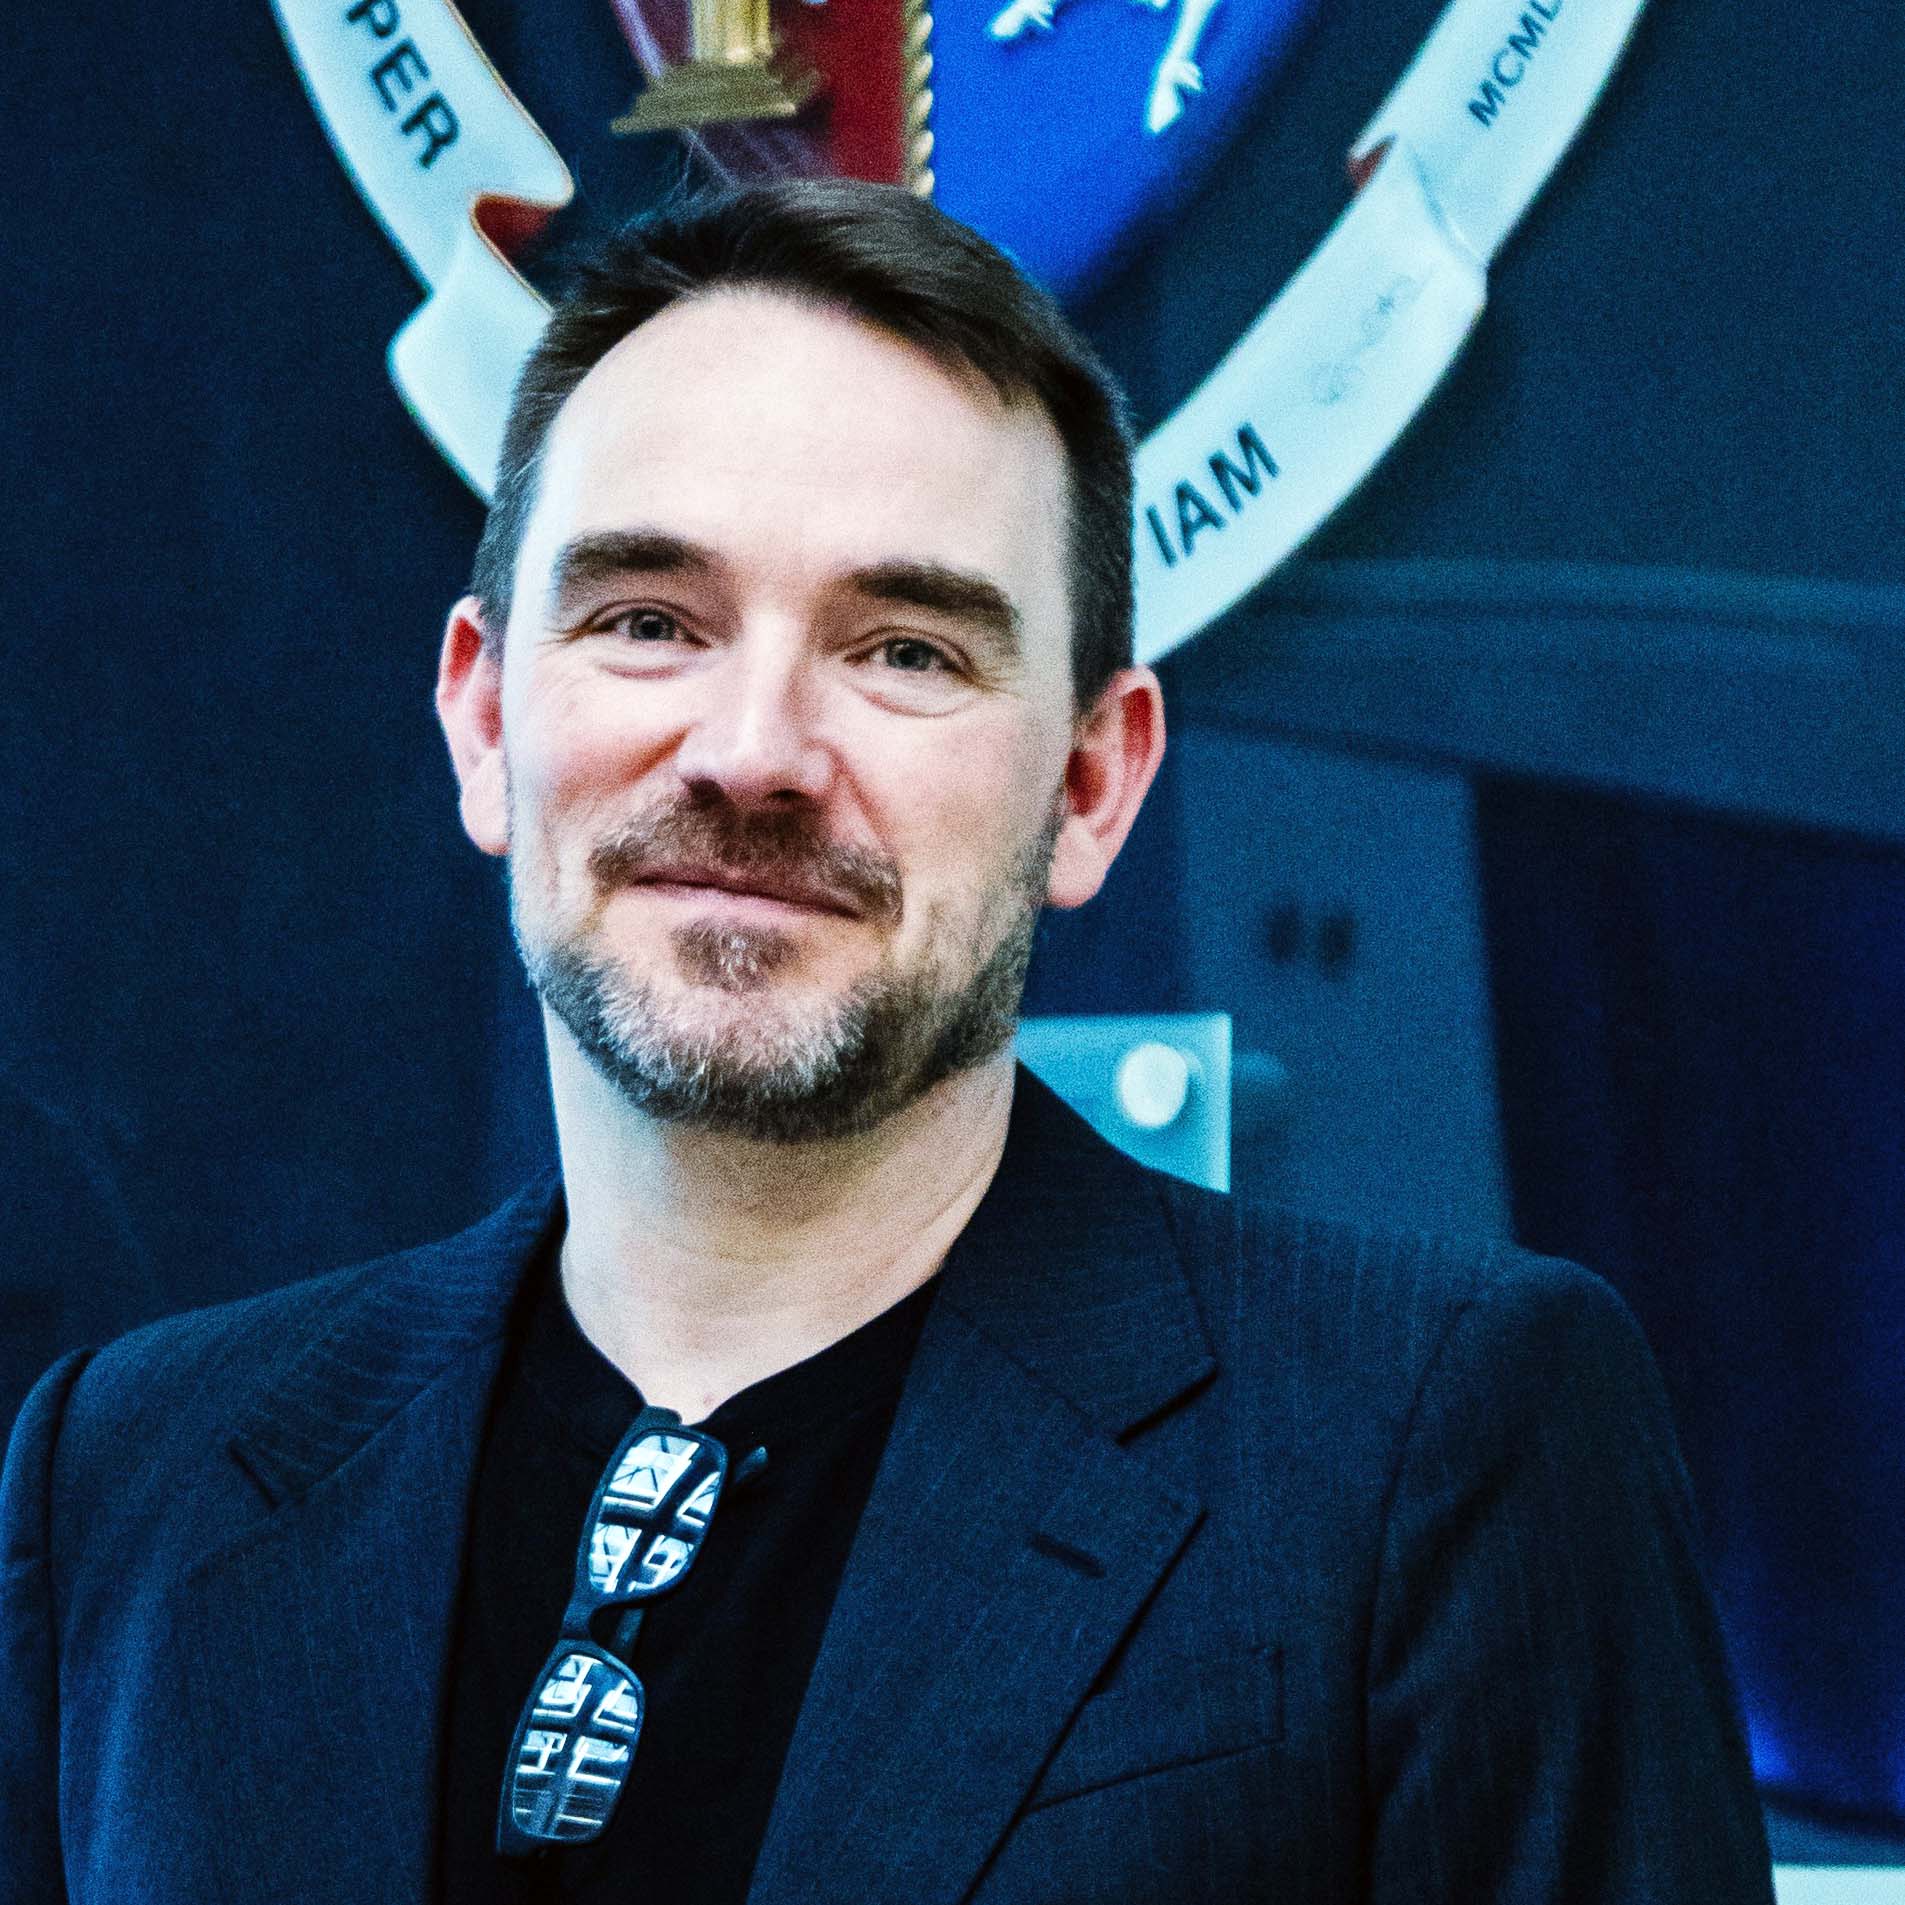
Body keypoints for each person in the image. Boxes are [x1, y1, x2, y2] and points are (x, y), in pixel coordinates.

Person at [0, 180, 1773, 1904]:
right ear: (482, 715)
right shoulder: (138, 1479)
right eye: (647, 622)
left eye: (905, 648)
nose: (752, 748)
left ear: (1091, 782)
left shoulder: (1433, 1445)